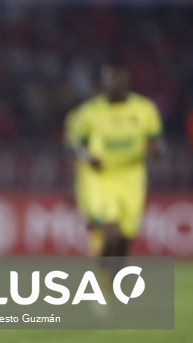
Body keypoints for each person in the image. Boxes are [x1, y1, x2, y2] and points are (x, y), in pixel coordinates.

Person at [65, 59, 164, 261]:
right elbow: (75, 144)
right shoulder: (90, 113)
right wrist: (86, 158)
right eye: (110, 78)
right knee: (109, 231)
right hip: (101, 178)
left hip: (132, 176)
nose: (114, 82)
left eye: (118, 77)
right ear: (103, 81)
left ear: (127, 79)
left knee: (125, 237)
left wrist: (156, 151)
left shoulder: (145, 110)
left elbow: (156, 142)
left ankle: (111, 276)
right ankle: (101, 277)